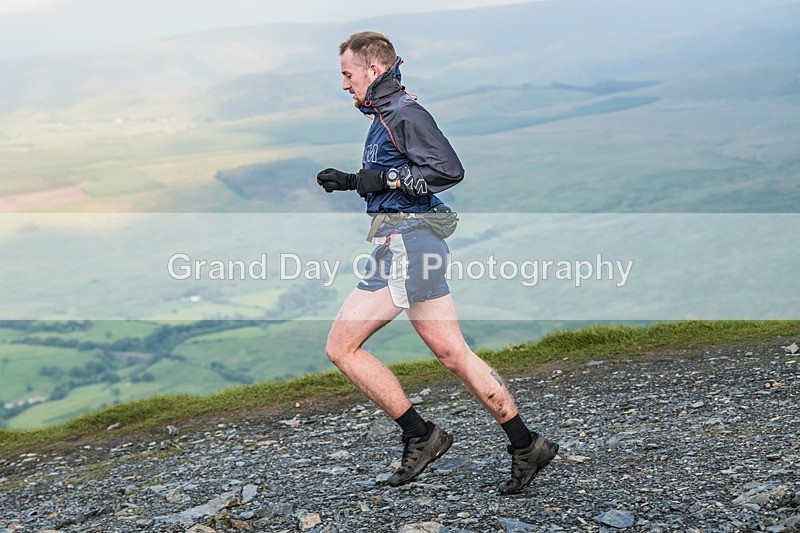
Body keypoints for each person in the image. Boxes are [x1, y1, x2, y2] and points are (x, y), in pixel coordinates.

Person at [316, 31, 558, 495]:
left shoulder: (404, 113)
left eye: (347, 75)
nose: (344, 85)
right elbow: (399, 173)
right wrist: (353, 181)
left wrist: (377, 176)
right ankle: (527, 445)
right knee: (453, 354)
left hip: (409, 244)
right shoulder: (386, 113)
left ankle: (420, 435)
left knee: (342, 347)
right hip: (409, 243)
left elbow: (448, 169)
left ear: (374, 70)